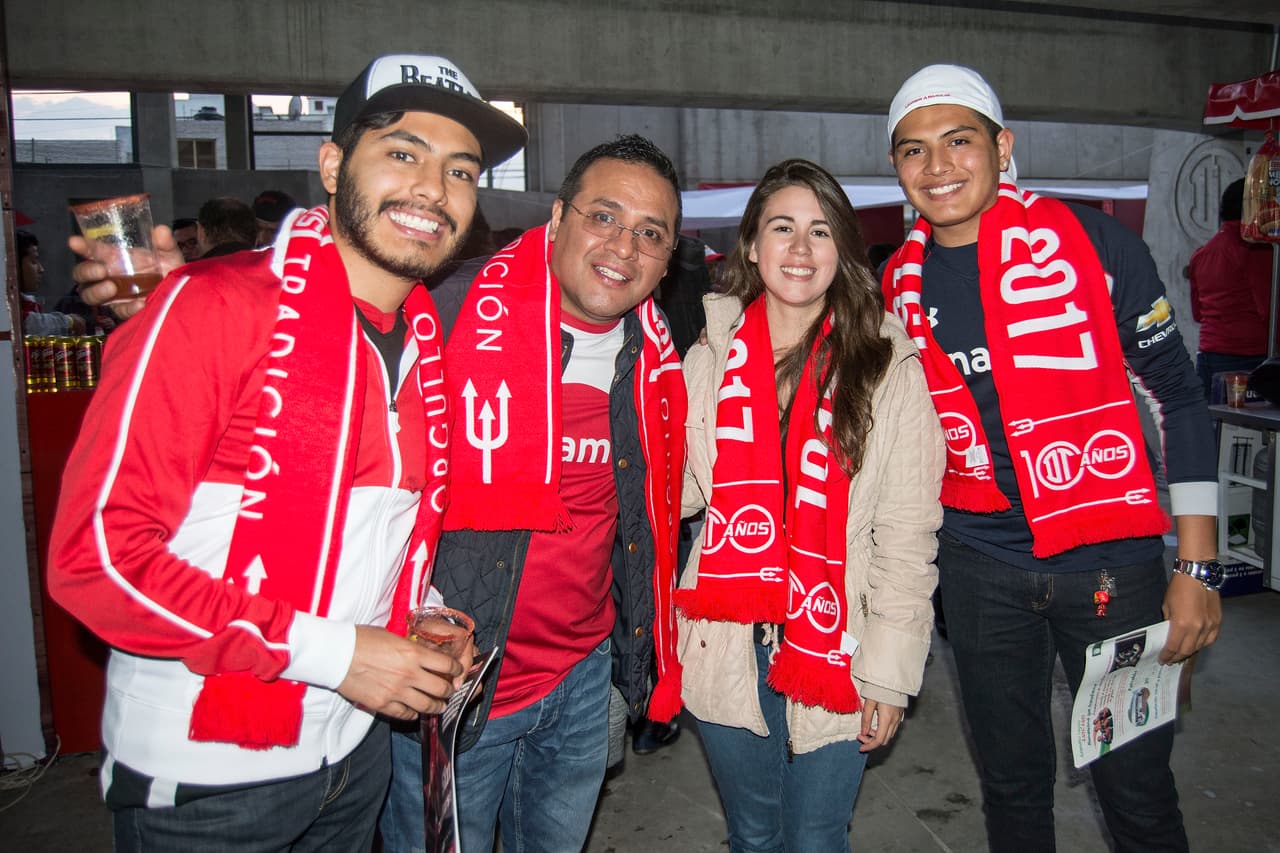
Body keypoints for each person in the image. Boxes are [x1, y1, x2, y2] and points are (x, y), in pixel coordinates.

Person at [47, 52, 527, 850]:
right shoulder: (215, 307)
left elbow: (361, 538)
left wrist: (420, 612)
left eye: (460, 170)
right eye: (402, 153)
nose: (432, 190)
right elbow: (96, 560)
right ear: (333, 165)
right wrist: (339, 653)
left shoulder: (423, 348)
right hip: (209, 781)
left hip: (352, 756)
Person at [881, 64, 1221, 853]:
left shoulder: (1097, 245)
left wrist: (1198, 562)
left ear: (1003, 147)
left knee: (1136, 791)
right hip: (980, 569)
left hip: (1116, 570)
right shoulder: (897, 284)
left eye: (959, 141)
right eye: (913, 151)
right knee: (1012, 788)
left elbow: (1180, 397)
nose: (938, 167)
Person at [378, 134, 688, 853]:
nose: (623, 247)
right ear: (556, 220)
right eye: (604, 217)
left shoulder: (657, 357)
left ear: (668, 258)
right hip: (456, 686)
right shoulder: (446, 319)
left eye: (651, 233)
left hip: (580, 681)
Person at [675, 158, 945, 852]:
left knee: (816, 839)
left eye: (820, 231)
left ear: (844, 251)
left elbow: (908, 538)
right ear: (753, 246)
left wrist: (889, 674)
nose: (799, 249)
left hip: (840, 644)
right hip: (726, 638)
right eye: (783, 228)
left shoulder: (889, 364)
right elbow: (677, 497)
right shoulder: (710, 356)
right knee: (754, 834)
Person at [1188, 177, 1274, 399]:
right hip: (1249, 358)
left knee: (1214, 429)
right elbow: (1270, 310)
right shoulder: (1255, 250)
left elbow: (1198, 313)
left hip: (1208, 355)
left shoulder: (1202, 253)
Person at [15, 229, 86, 336]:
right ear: (13, 263)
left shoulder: (25, 303)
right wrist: (69, 322)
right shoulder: (11, 312)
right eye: (33, 262)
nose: (41, 269)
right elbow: (24, 323)